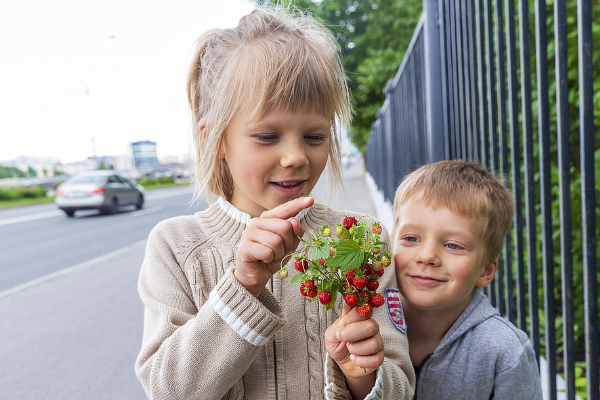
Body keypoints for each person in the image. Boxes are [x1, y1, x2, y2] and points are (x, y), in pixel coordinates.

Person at [134, 5, 414, 400]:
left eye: (315, 137)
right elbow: (169, 390)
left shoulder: (362, 240)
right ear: (216, 140)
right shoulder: (176, 247)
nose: (296, 156)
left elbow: (401, 383)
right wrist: (244, 285)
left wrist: (363, 375)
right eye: (267, 136)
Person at [389, 160, 542, 399]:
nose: (427, 256)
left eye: (453, 245)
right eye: (411, 238)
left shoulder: (505, 352)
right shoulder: (368, 320)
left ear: (486, 271)